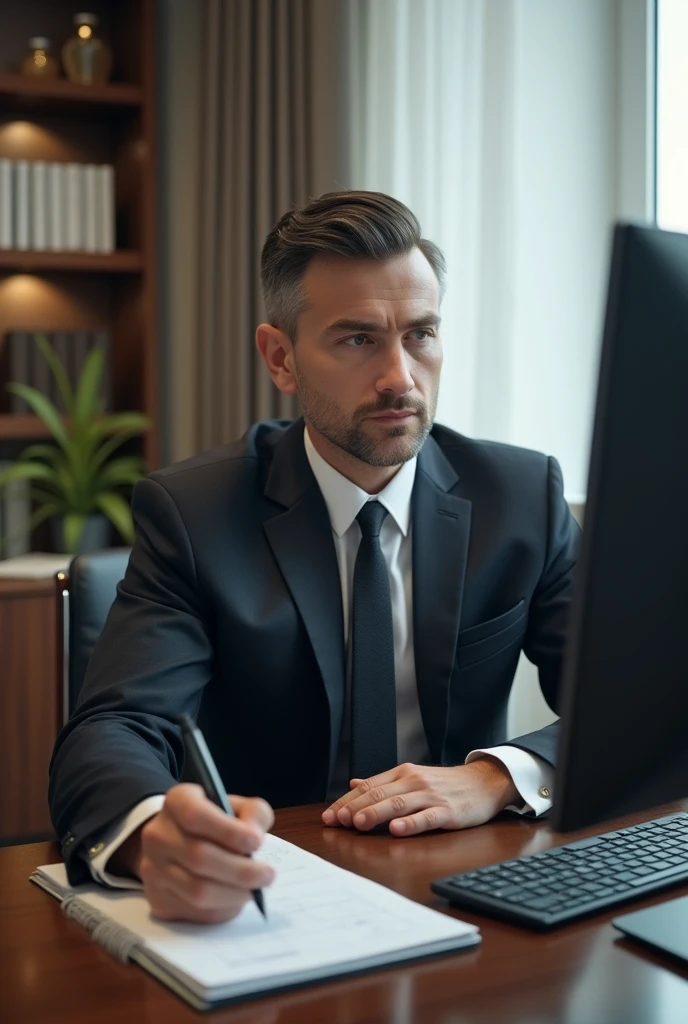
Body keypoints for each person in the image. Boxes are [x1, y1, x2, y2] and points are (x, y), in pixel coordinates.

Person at [49, 190, 580, 925]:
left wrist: (495, 777)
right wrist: (149, 836)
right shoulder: (195, 515)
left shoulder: (520, 497)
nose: (400, 377)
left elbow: (622, 705)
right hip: (269, 890)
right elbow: (113, 729)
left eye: (421, 334)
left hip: (465, 886)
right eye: (358, 339)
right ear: (281, 358)